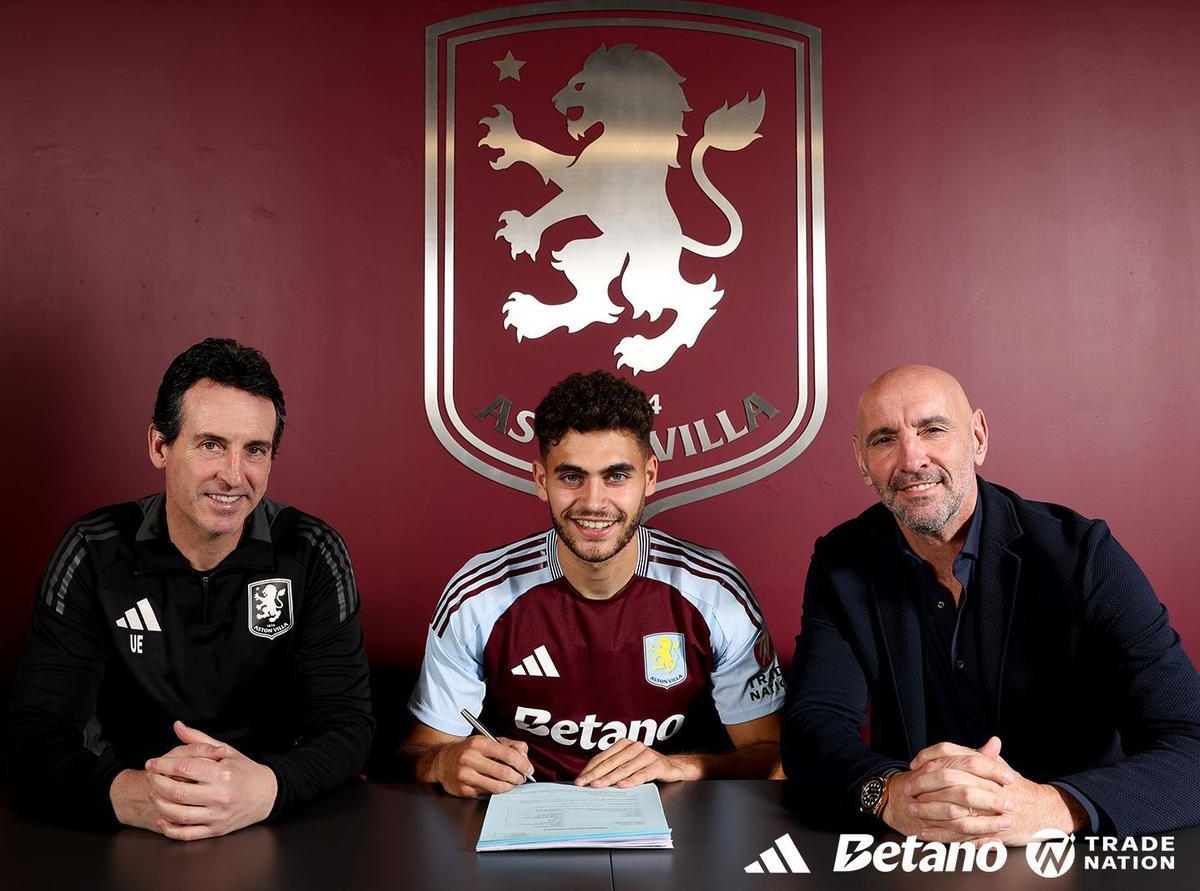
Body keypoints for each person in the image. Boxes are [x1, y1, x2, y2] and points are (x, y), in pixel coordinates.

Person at [782, 363, 1200, 841]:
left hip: (1077, 854)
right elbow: (812, 728)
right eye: (883, 439)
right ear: (861, 461)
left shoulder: (1083, 556)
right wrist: (890, 794)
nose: (911, 458)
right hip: (921, 850)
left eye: (933, 429)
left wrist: (1051, 808)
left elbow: (1192, 744)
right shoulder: (842, 562)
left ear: (977, 437)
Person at [6, 338, 373, 840]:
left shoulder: (310, 550)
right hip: (123, 827)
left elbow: (349, 727)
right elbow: (33, 736)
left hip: (270, 821)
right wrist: (139, 796)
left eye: (255, 450)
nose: (233, 475)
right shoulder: (94, 549)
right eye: (210, 444)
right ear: (160, 446)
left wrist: (265, 788)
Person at [402, 370, 784, 796]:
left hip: (673, 824)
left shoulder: (715, 591)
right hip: (523, 824)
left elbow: (772, 752)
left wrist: (683, 766)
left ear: (650, 477)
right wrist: (444, 761)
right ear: (541, 479)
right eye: (571, 477)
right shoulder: (478, 594)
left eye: (616, 476)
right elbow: (421, 752)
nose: (594, 502)